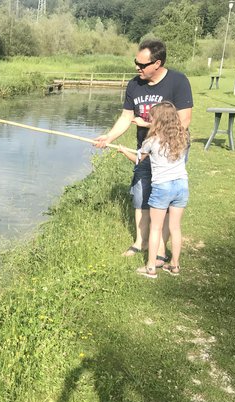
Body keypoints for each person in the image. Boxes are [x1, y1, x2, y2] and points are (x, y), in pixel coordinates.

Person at [94, 39, 193, 265]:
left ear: (157, 63)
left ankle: (159, 250)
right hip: (144, 149)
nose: (137, 68)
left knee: (165, 200)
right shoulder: (134, 85)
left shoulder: (178, 81)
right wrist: (109, 137)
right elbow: (126, 117)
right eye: (135, 62)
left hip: (169, 151)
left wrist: (148, 126)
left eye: (141, 64)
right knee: (140, 195)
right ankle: (141, 242)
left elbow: (184, 120)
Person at [118, 102, 189, 278]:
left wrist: (123, 150)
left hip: (162, 187)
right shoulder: (184, 138)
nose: (149, 120)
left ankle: (150, 267)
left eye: (152, 118)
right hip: (181, 186)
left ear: (157, 121)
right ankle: (174, 265)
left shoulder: (151, 141)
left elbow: (138, 160)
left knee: (155, 227)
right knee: (175, 227)